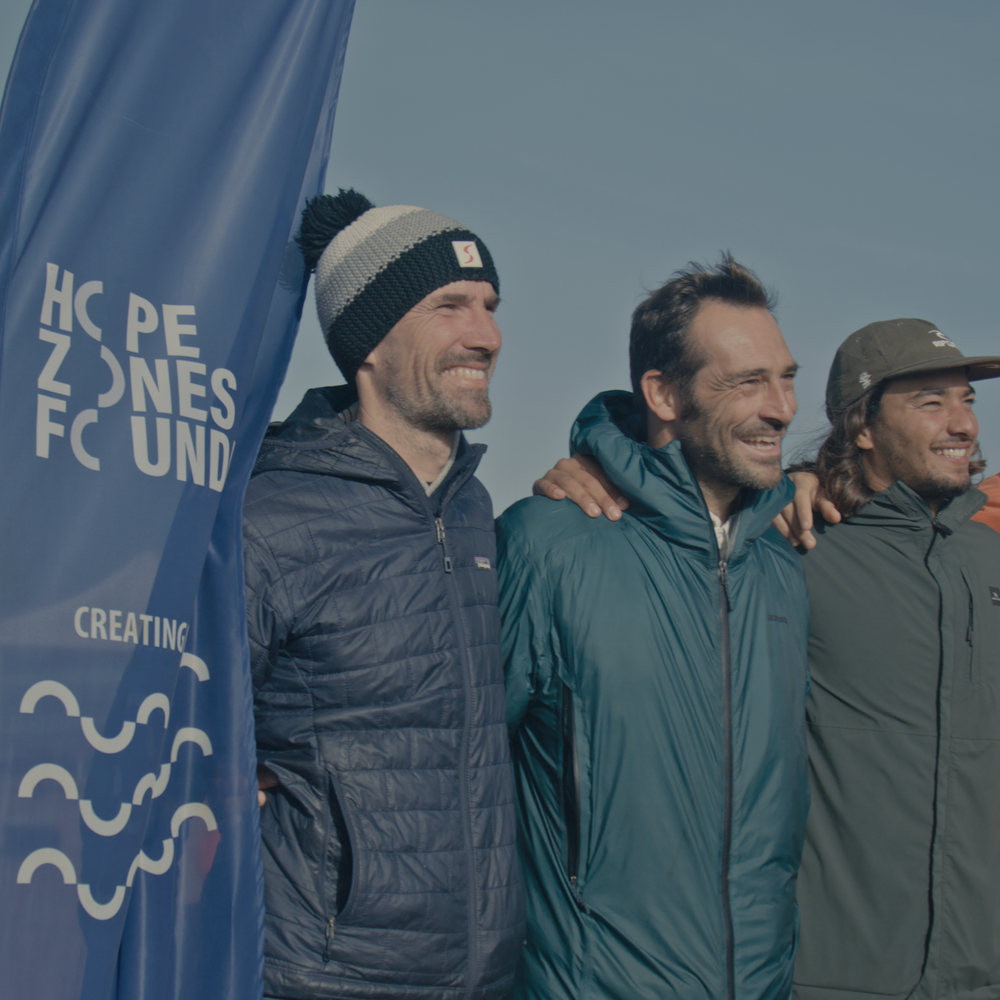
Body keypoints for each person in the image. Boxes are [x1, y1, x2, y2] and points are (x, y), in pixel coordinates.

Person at [541, 317, 1000, 1000]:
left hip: (977, 973)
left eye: (967, 400)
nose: (961, 422)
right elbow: (693, 522)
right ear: (862, 427)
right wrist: (600, 469)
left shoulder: (988, 555)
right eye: (931, 402)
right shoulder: (790, 550)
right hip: (822, 975)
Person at [497, 256, 810, 1000]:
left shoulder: (785, 565)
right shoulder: (548, 543)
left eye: (787, 377)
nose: (782, 409)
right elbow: (457, 778)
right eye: (747, 382)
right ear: (663, 394)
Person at [243, 189, 523, 1000]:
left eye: (490, 305)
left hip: (486, 974)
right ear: (370, 339)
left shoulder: (473, 509)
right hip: (324, 976)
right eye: (450, 306)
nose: (487, 334)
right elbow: (184, 733)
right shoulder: (271, 514)